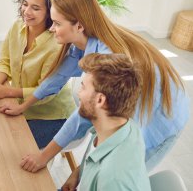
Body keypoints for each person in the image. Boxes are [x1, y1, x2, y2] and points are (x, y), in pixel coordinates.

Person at [3, 0, 190, 170]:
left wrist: (44, 156)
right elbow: (56, 77)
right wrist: (23, 106)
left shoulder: (107, 62)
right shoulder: (83, 42)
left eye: (57, 23)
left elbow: (86, 117)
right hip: (140, 108)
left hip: (162, 118)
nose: (51, 29)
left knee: (117, 172)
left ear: (79, 26)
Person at [24, 53, 151, 191]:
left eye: (83, 87)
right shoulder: (121, 126)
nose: (79, 93)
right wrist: (79, 173)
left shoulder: (113, 179)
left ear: (100, 100)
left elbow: (110, 176)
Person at [0, 0, 76, 148]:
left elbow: (46, 92)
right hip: (20, 104)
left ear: (50, 13)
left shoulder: (56, 45)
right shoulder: (17, 27)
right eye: (25, 4)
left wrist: (7, 91)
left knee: (11, 146)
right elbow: (5, 61)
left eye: (35, 8)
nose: (26, 12)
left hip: (51, 116)